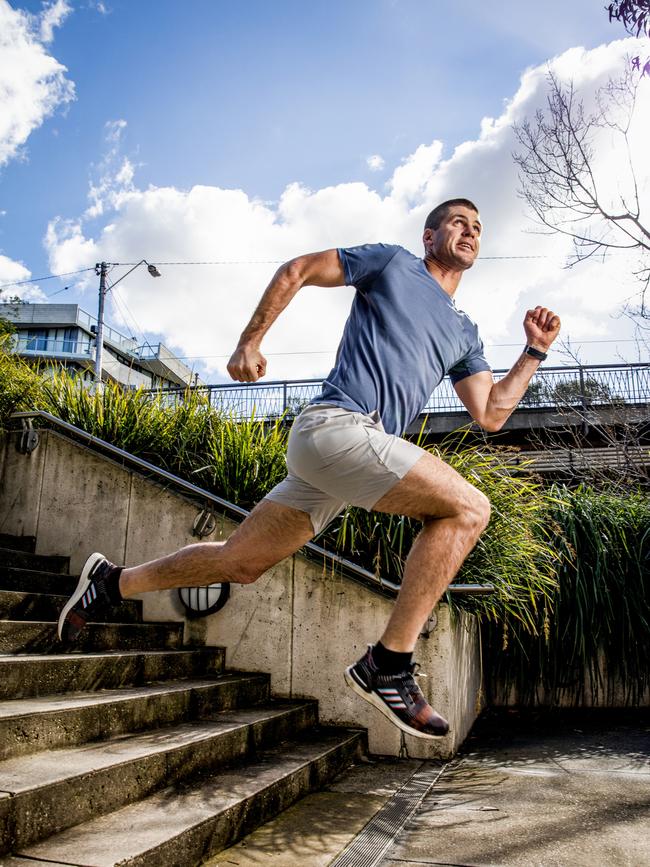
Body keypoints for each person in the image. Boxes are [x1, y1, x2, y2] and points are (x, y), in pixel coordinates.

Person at [58, 198, 561, 740]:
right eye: (458, 222)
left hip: (344, 459)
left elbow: (489, 412)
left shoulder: (465, 332)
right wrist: (249, 341)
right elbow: (296, 269)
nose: (470, 231)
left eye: (479, 227)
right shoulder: (393, 264)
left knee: (241, 562)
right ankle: (387, 665)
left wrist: (533, 352)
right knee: (469, 508)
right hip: (336, 426)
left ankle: (110, 583)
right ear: (430, 236)